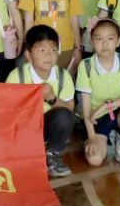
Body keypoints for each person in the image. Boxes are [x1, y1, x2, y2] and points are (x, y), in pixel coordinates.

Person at [5, 25, 75, 178]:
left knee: (64, 116)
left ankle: (52, 154)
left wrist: (52, 98)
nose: (48, 55)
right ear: (28, 55)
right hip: (25, 127)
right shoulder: (16, 77)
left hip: (48, 126)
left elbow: (70, 109)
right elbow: (8, 114)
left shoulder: (63, 76)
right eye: (42, 50)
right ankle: (28, 150)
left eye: (53, 50)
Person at [76, 19, 120, 170]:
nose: (105, 44)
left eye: (110, 38)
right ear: (92, 41)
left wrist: (106, 106)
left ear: (118, 41)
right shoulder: (85, 66)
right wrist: (92, 138)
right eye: (99, 39)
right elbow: (86, 110)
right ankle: (104, 137)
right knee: (95, 159)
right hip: (97, 118)